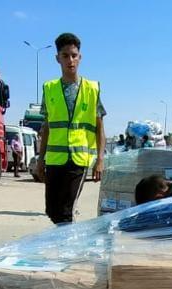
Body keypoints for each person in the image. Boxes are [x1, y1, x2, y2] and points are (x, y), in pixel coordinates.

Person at [35, 33, 106, 225]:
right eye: (65, 56)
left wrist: (100, 160)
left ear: (80, 57)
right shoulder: (49, 88)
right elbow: (47, 128)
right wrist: (40, 161)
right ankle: (67, 239)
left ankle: (69, 244)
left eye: (74, 55)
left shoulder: (91, 89)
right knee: (52, 211)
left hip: (78, 159)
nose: (70, 60)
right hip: (55, 159)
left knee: (66, 212)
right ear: (57, 58)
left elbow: (100, 128)